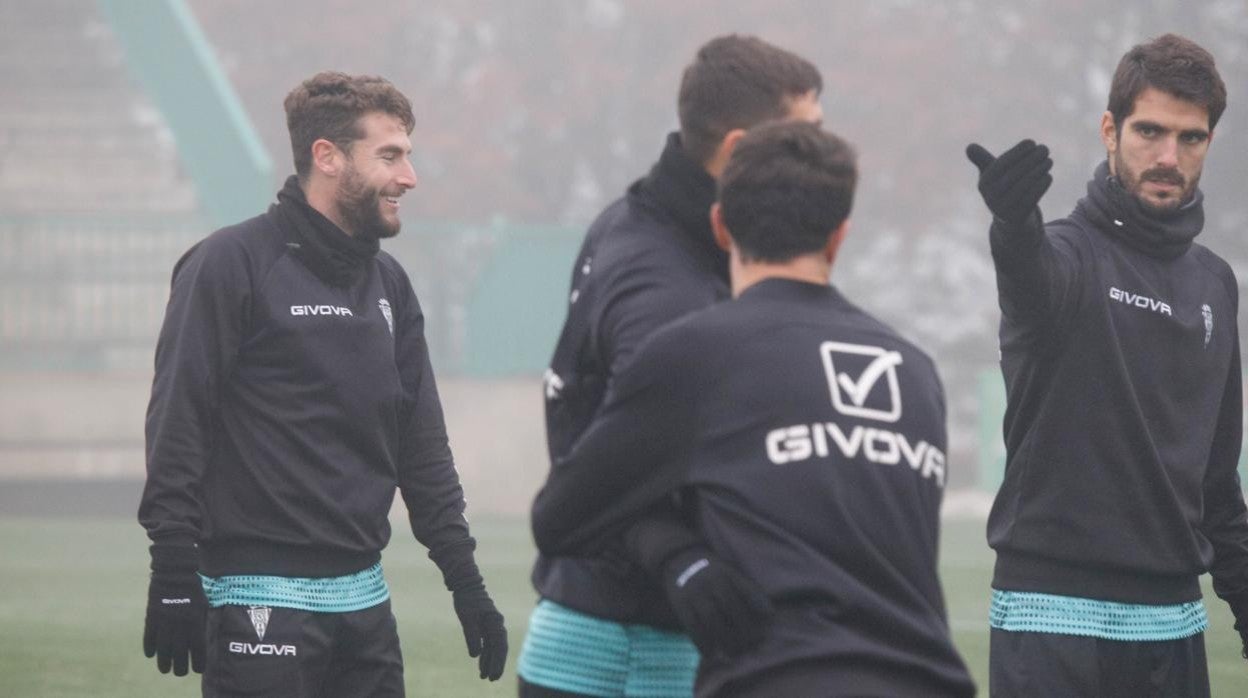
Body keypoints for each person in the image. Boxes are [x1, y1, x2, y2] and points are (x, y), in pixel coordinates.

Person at [530, 121, 975, 697]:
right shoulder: (915, 370)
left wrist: (675, 551)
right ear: (839, 237)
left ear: (720, 226)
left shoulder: (697, 352)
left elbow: (561, 518)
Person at [139, 71, 507, 696]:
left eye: (408, 156)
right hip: (257, 605)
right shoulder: (231, 264)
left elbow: (421, 449)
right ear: (327, 157)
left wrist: (465, 582)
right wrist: (172, 565)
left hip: (365, 607)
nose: (408, 177)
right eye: (389, 155)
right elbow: (180, 420)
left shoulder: (390, 287)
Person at [518, 35, 824, 697]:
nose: (822, 158)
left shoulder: (641, 223)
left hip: (606, 627)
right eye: (805, 140)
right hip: (634, 647)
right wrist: (675, 554)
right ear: (739, 149)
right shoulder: (667, 291)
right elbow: (596, 471)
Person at [965, 33, 1248, 697]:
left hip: (1173, 626)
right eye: (1149, 131)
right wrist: (1012, 226)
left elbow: (1214, 482)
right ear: (1109, 130)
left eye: (1191, 138)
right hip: (1050, 619)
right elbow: (1028, 276)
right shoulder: (1065, 256)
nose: (1168, 156)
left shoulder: (1216, 284)